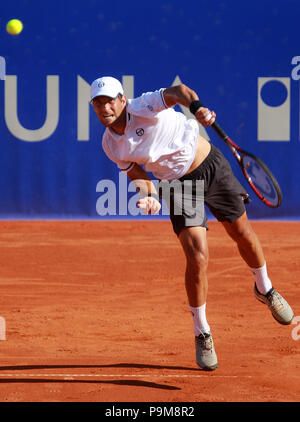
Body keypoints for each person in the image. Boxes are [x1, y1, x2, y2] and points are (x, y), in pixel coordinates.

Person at [90, 76, 294, 371]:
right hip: (176, 186)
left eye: (109, 100)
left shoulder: (143, 105)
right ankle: (202, 331)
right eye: (98, 103)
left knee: (240, 232)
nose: (104, 107)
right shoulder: (111, 145)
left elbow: (179, 92)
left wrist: (196, 107)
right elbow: (138, 175)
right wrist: (147, 196)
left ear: (122, 100)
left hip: (209, 165)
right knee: (197, 256)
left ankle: (265, 289)